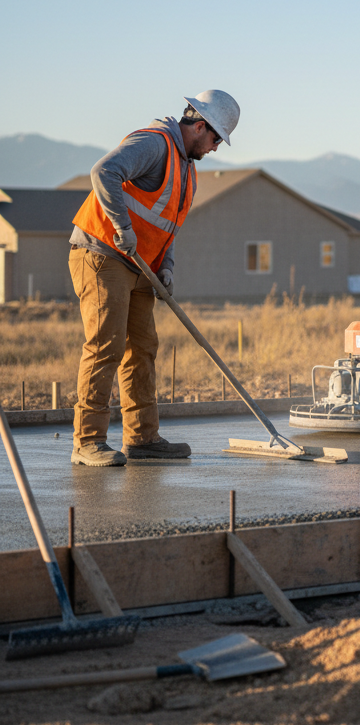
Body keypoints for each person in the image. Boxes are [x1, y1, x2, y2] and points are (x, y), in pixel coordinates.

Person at [67, 90, 240, 466]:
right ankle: (87, 441)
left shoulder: (187, 169)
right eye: (214, 140)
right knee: (106, 345)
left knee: (142, 348)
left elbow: (167, 227)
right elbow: (104, 172)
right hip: (102, 253)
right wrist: (121, 226)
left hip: (140, 265)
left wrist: (167, 268)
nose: (214, 149)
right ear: (198, 126)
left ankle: (143, 439)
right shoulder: (155, 143)